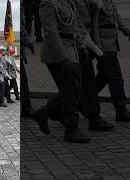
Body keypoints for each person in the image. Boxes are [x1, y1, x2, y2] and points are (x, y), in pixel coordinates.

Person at [33, 0, 92, 143]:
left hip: (72, 50)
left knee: (76, 90)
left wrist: (82, 47)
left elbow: (76, 27)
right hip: (57, 53)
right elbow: (51, 33)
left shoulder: (69, 2)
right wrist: (63, 59)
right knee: (70, 90)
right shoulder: (48, 3)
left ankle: (44, 113)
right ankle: (71, 129)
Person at [74, 0, 115, 131]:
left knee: (86, 81)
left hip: (91, 40)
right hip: (81, 43)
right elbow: (77, 24)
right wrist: (95, 48)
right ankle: (94, 117)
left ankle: (51, 111)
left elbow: (94, 23)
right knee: (87, 81)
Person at [95, 0, 130, 122]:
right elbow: (93, 23)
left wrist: (126, 30)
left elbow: (116, 17)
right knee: (115, 77)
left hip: (111, 43)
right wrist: (97, 44)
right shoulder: (96, 2)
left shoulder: (109, 1)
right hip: (103, 43)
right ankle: (121, 109)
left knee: (103, 77)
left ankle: (81, 102)